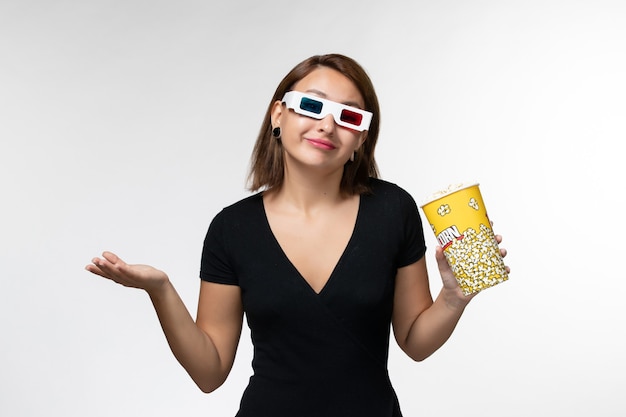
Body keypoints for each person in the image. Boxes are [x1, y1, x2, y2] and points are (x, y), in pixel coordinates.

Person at [86, 53, 509, 416]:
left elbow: (415, 343)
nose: (327, 125)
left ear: (360, 137)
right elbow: (209, 372)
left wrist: (454, 296)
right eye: (311, 105)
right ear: (278, 115)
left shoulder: (392, 209)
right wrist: (159, 289)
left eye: (348, 116)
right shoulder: (231, 229)